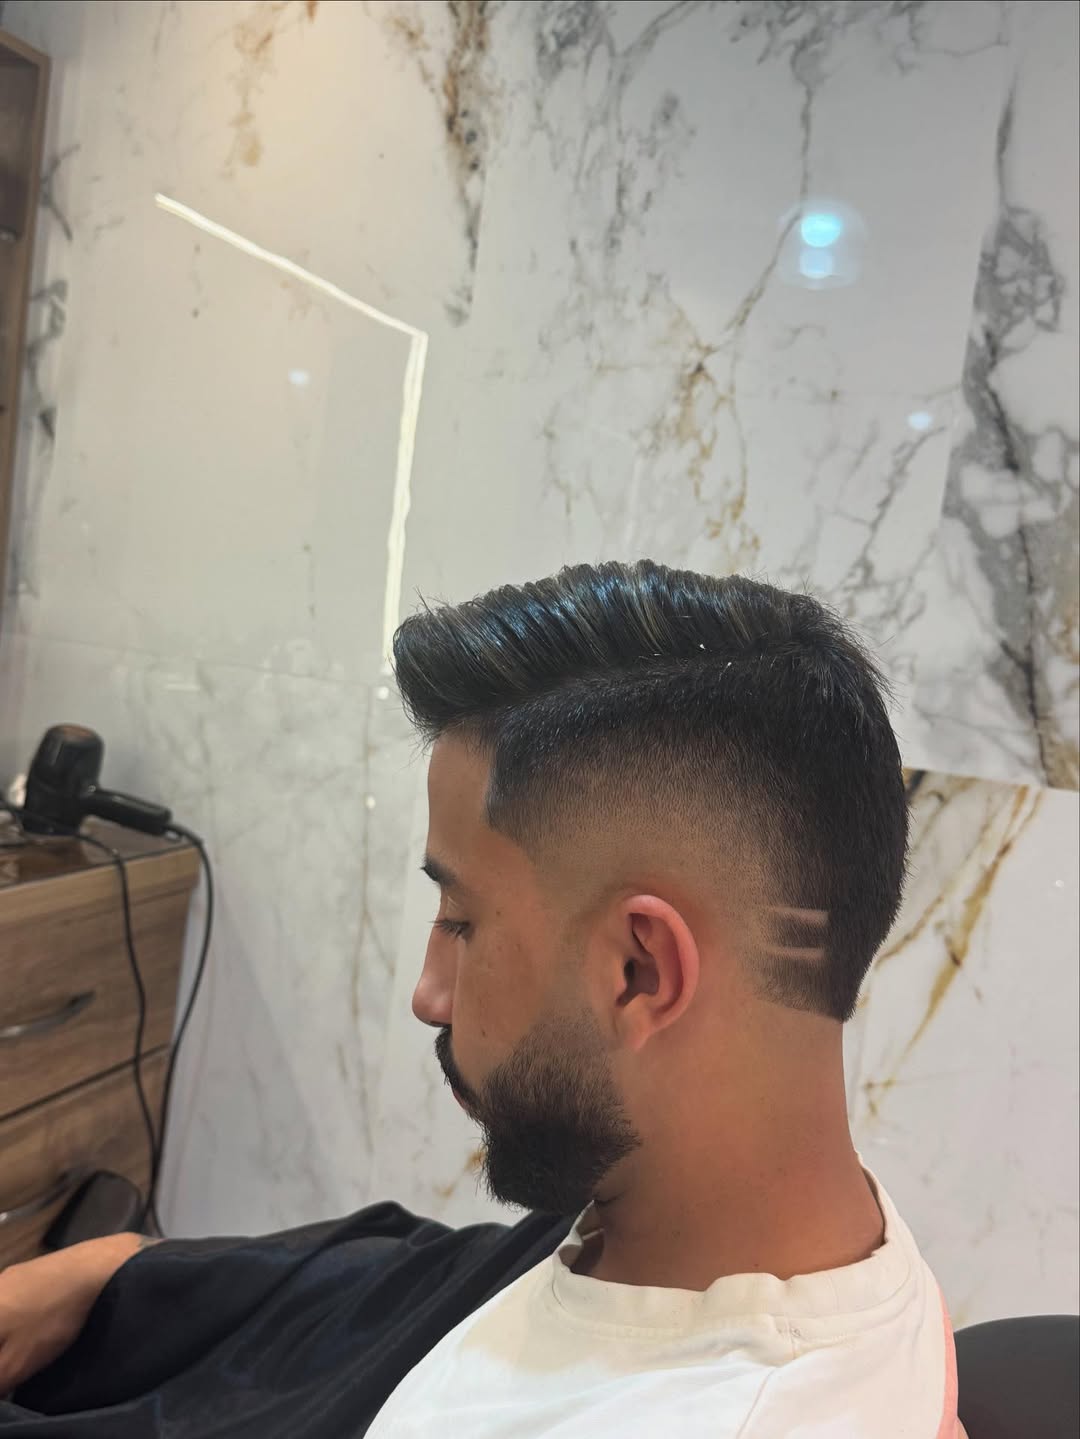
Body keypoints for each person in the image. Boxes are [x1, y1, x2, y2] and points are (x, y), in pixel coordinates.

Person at [0, 561, 961, 1436]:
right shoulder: (748, 1236)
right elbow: (414, 1277)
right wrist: (108, 1267)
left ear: (640, 972)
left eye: (460, 919)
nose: (429, 994)